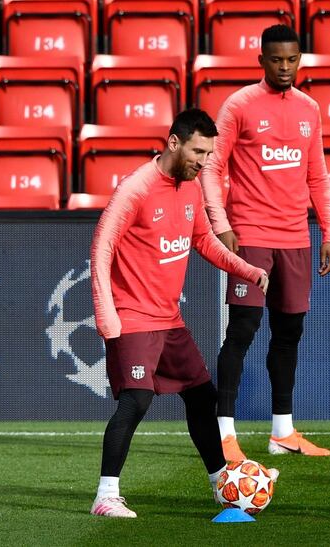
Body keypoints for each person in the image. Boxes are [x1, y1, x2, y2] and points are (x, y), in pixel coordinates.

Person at [89, 108, 271, 518]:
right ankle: (105, 496)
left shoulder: (190, 187)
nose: (203, 161)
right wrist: (107, 315)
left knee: (201, 397)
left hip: (168, 319)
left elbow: (204, 240)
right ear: (174, 142)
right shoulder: (135, 189)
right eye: (197, 151)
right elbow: (101, 249)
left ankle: (221, 484)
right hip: (132, 316)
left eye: (208, 154)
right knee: (136, 400)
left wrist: (247, 269)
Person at [200, 24, 330, 460]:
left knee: (289, 333)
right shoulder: (239, 105)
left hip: (296, 237)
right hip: (251, 235)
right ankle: (223, 434)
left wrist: (328, 232)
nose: (284, 67)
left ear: (300, 60)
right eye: (276, 60)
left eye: (291, 59)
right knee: (242, 330)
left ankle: (282, 432)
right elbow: (210, 165)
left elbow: (317, 174)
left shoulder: (309, 109)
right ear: (262, 60)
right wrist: (220, 223)